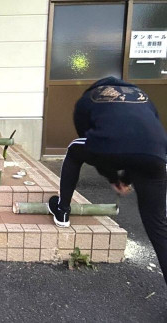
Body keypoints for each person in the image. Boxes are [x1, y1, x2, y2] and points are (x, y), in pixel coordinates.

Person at [48, 76, 167, 285]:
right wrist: (125, 179)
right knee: (158, 227)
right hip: (156, 155)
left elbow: (94, 142)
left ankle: (62, 209)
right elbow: (143, 140)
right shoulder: (142, 96)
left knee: (75, 149)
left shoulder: (88, 99)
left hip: (112, 148)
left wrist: (113, 177)